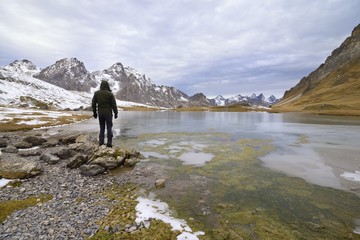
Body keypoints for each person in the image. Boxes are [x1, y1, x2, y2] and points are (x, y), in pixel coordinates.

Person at [92, 80, 118, 147]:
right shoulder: (110, 94)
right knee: (109, 127)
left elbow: (93, 103)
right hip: (108, 113)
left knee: (102, 128)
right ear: (107, 85)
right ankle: (109, 143)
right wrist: (116, 113)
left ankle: (101, 142)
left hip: (100, 113)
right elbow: (114, 104)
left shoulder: (97, 93)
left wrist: (94, 112)